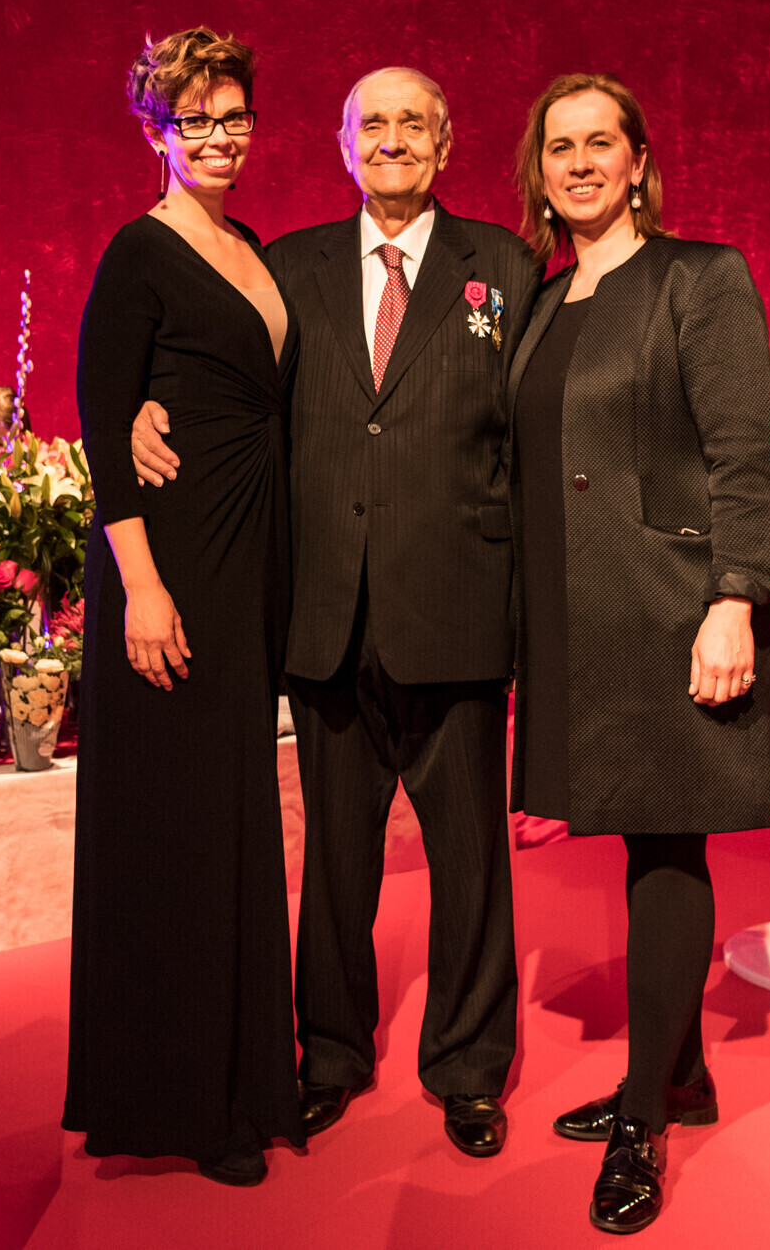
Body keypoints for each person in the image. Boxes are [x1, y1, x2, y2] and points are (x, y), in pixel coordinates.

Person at [133, 67, 539, 1156]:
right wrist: (142, 405)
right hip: (324, 616)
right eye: (373, 124)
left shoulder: (504, 266)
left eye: (413, 122)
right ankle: (330, 1054)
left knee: (471, 864)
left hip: (457, 611)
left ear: (445, 142)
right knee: (335, 865)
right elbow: (221, 385)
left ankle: (468, 1065)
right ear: (342, 145)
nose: (393, 139)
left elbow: (533, 433)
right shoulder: (286, 266)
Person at [506, 73, 770, 1234]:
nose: (577, 162)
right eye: (557, 146)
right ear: (538, 172)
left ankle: (638, 1116)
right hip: (577, 615)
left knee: (666, 841)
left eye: (598, 142)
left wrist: (734, 597)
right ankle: (681, 1074)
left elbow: (743, 451)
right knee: (638, 834)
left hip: (672, 608)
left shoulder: (699, 276)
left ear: (636, 162)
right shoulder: (539, 300)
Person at [64, 27, 301, 1187]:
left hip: (247, 562)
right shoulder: (137, 252)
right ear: (153, 132)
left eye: (232, 116)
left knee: (234, 820)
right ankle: (184, 1099)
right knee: (176, 832)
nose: (217, 137)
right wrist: (142, 590)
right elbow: (104, 428)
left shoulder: (249, 244)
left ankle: (245, 1076)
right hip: (173, 575)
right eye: (192, 119)